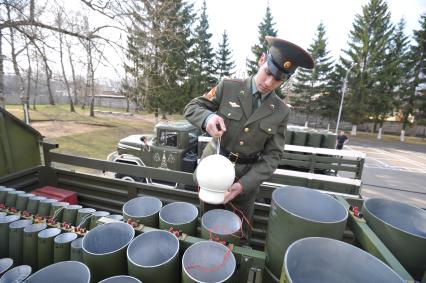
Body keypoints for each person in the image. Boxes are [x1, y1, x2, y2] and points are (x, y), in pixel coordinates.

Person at [184, 36, 314, 240]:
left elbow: (273, 156)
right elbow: (192, 108)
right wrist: (207, 117)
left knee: (238, 234)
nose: (269, 83)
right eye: (268, 73)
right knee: (208, 228)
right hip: (213, 174)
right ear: (262, 60)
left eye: (278, 79)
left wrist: (244, 185)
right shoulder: (229, 87)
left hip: (245, 180)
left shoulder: (280, 111)